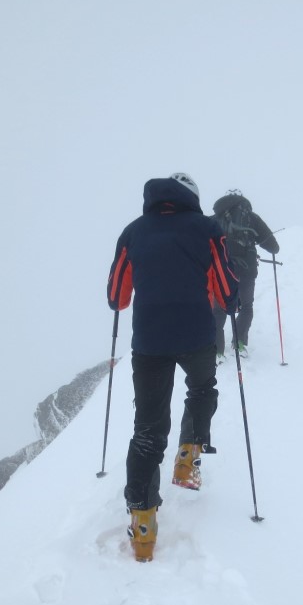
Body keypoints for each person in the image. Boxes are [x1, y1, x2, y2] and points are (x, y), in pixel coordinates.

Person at [106, 172, 238, 562]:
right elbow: (227, 290)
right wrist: (224, 301)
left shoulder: (133, 232)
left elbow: (116, 297)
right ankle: (186, 462)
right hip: (196, 334)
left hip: (149, 341)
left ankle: (143, 525)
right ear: (193, 198)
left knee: (147, 430)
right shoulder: (207, 229)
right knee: (201, 390)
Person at [210, 190, 279, 361]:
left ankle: (217, 351)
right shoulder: (251, 217)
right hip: (246, 271)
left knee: (217, 311)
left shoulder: (213, 219)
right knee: (246, 307)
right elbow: (273, 247)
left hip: (221, 271)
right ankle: (239, 344)